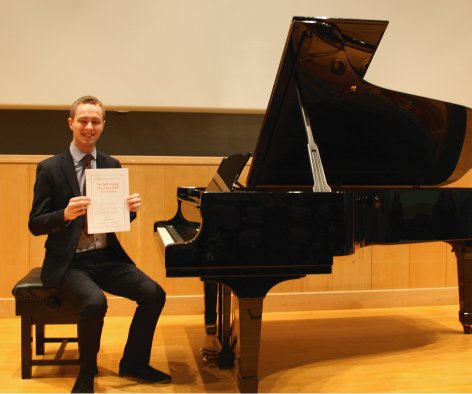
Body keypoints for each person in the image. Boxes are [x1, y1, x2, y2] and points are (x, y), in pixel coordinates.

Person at [28, 95, 171, 393]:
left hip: (106, 257)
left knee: (154, 294)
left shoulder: (111, 164)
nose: (89, 126)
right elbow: (35, 223)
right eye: (83, 120)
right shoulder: (50, 168)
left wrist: (130, 212)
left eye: (95, 121)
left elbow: (114, 220)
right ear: (71, 123)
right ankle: (85, 375)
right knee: (95, 302)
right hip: (69, 263)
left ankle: (133, 362)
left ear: (103, 125)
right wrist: (64, 215)